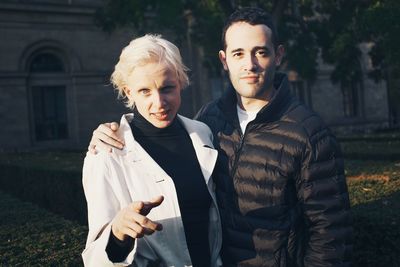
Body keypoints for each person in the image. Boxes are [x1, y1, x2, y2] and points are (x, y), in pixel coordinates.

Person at [89, 7, 353, 267]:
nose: (249, 64)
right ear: (224, 60)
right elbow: (97, 254)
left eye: (260, 52)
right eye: (238, 53)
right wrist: (117, 232)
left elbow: (331, 232)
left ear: (278, 55)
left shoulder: (308, 132)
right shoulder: (209, 120)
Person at [82, 34, 222, 267]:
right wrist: (117, 233)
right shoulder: (106, 154)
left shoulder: (203, 133)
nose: (159, 103)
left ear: (180, 82)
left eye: (167, 88)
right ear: (129, 92)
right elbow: (94, 259)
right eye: (145, 91)